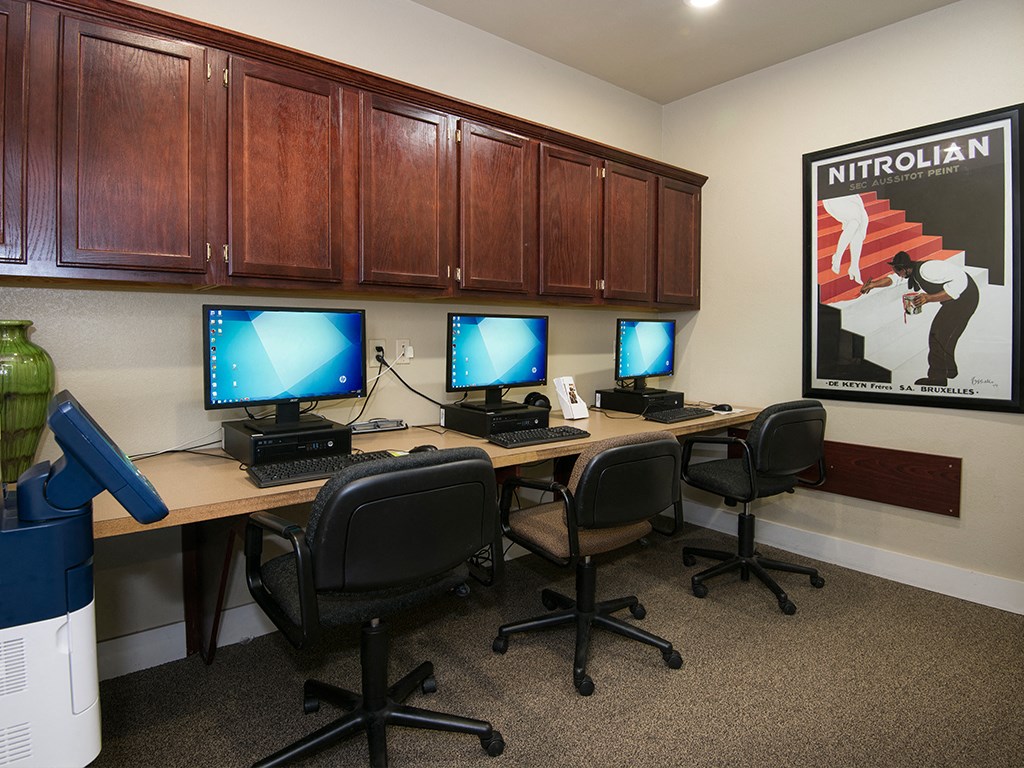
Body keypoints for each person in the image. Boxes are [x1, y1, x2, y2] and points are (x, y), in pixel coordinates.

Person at [859, 250, 979, 386]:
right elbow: (894, 279)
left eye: (898, 271)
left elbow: (959, 282)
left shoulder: (927, 270)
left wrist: (929, 298)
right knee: (947, 335)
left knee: (937, 336)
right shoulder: (911, 271)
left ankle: (937, 378)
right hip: (958, 298)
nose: (898, 274)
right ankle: (949, 370)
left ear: (904, 269)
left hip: (965, 297)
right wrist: (874, 284)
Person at [822, 194, 869, 284]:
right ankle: (838, 256)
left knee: (863, 221)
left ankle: (854, 266)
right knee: (855, 220)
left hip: (851, 197)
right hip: (835, 198)